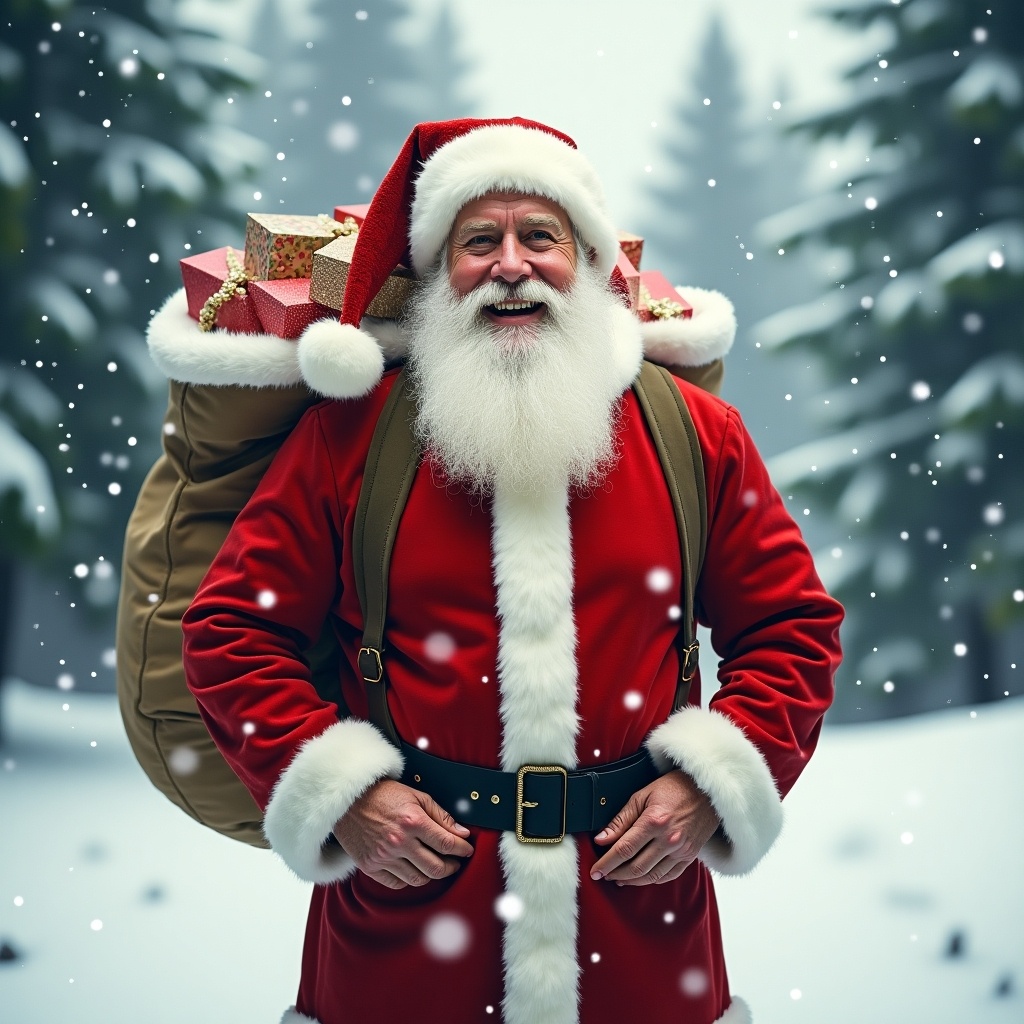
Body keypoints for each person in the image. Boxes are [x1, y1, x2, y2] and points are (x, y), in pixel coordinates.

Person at [180, 117, 843, 1024]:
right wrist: (345, 795)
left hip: (641, 929)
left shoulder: (697, 433)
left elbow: (793, 630)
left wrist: (709, 784)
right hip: (405, 930)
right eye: (477, 241)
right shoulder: (349, 434)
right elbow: (232, 630)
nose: (511, 264)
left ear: (591, 260)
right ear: (437, 273)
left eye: (541, 237)